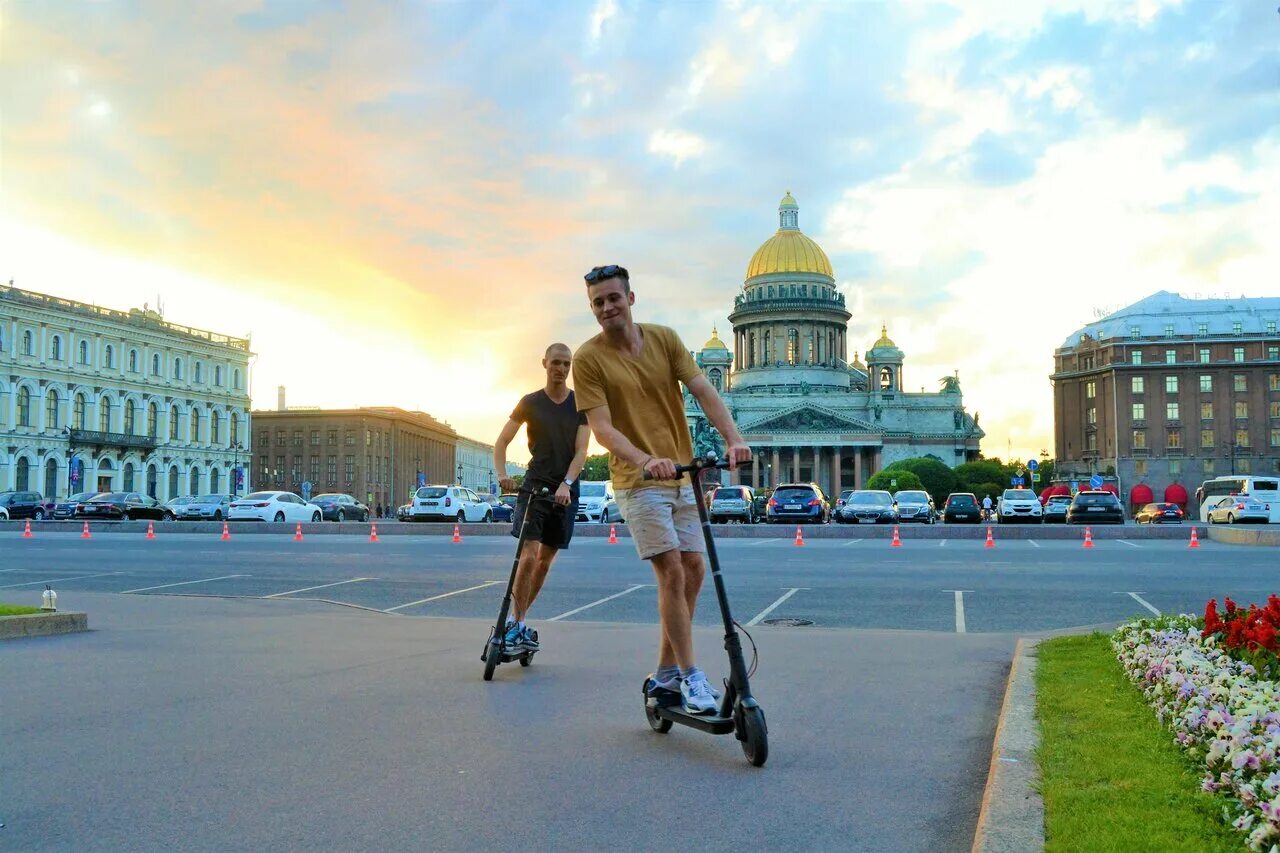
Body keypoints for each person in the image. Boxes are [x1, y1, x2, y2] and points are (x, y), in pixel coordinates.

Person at [572, 264, 752, 715]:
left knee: (693, 570)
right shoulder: (588, 359)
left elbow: (704, 389)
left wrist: (733, 437)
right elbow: (602, 429)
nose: (608, 307)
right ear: (593, 309)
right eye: (598, 302)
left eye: (614, 298)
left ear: (631, 299)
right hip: (639, 481)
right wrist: (644, 459)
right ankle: (691, 677)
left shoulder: (666, 339)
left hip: (682, 478)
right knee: (671, 571)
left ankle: (667, 673)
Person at [493, 342, 590, 654]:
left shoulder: (581, 404)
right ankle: (517, 623)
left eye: (566, 364)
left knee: (545, 563)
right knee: (529, 556)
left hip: (565, 491)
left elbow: (581, 452)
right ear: (545, 363)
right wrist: (502, 474)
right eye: (556, 363)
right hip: (534, 487)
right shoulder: (530, 402)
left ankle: (519, 621)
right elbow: (502, 441)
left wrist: (567, 484)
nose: (561, 369)